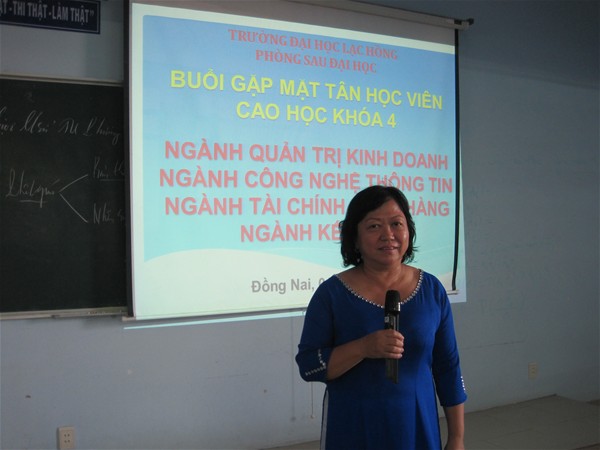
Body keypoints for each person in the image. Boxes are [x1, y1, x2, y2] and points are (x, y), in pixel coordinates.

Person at [296, 185, 467, 450]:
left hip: (417, 425)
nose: (388, 235)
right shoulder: (331, 294)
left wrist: (456, 438)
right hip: (354, 427)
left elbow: (448, 367)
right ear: (354, 238)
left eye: (396, 223)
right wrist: (363, 348)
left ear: (408, 230)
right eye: (374, 226)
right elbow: (309, 365)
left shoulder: (432, 289)